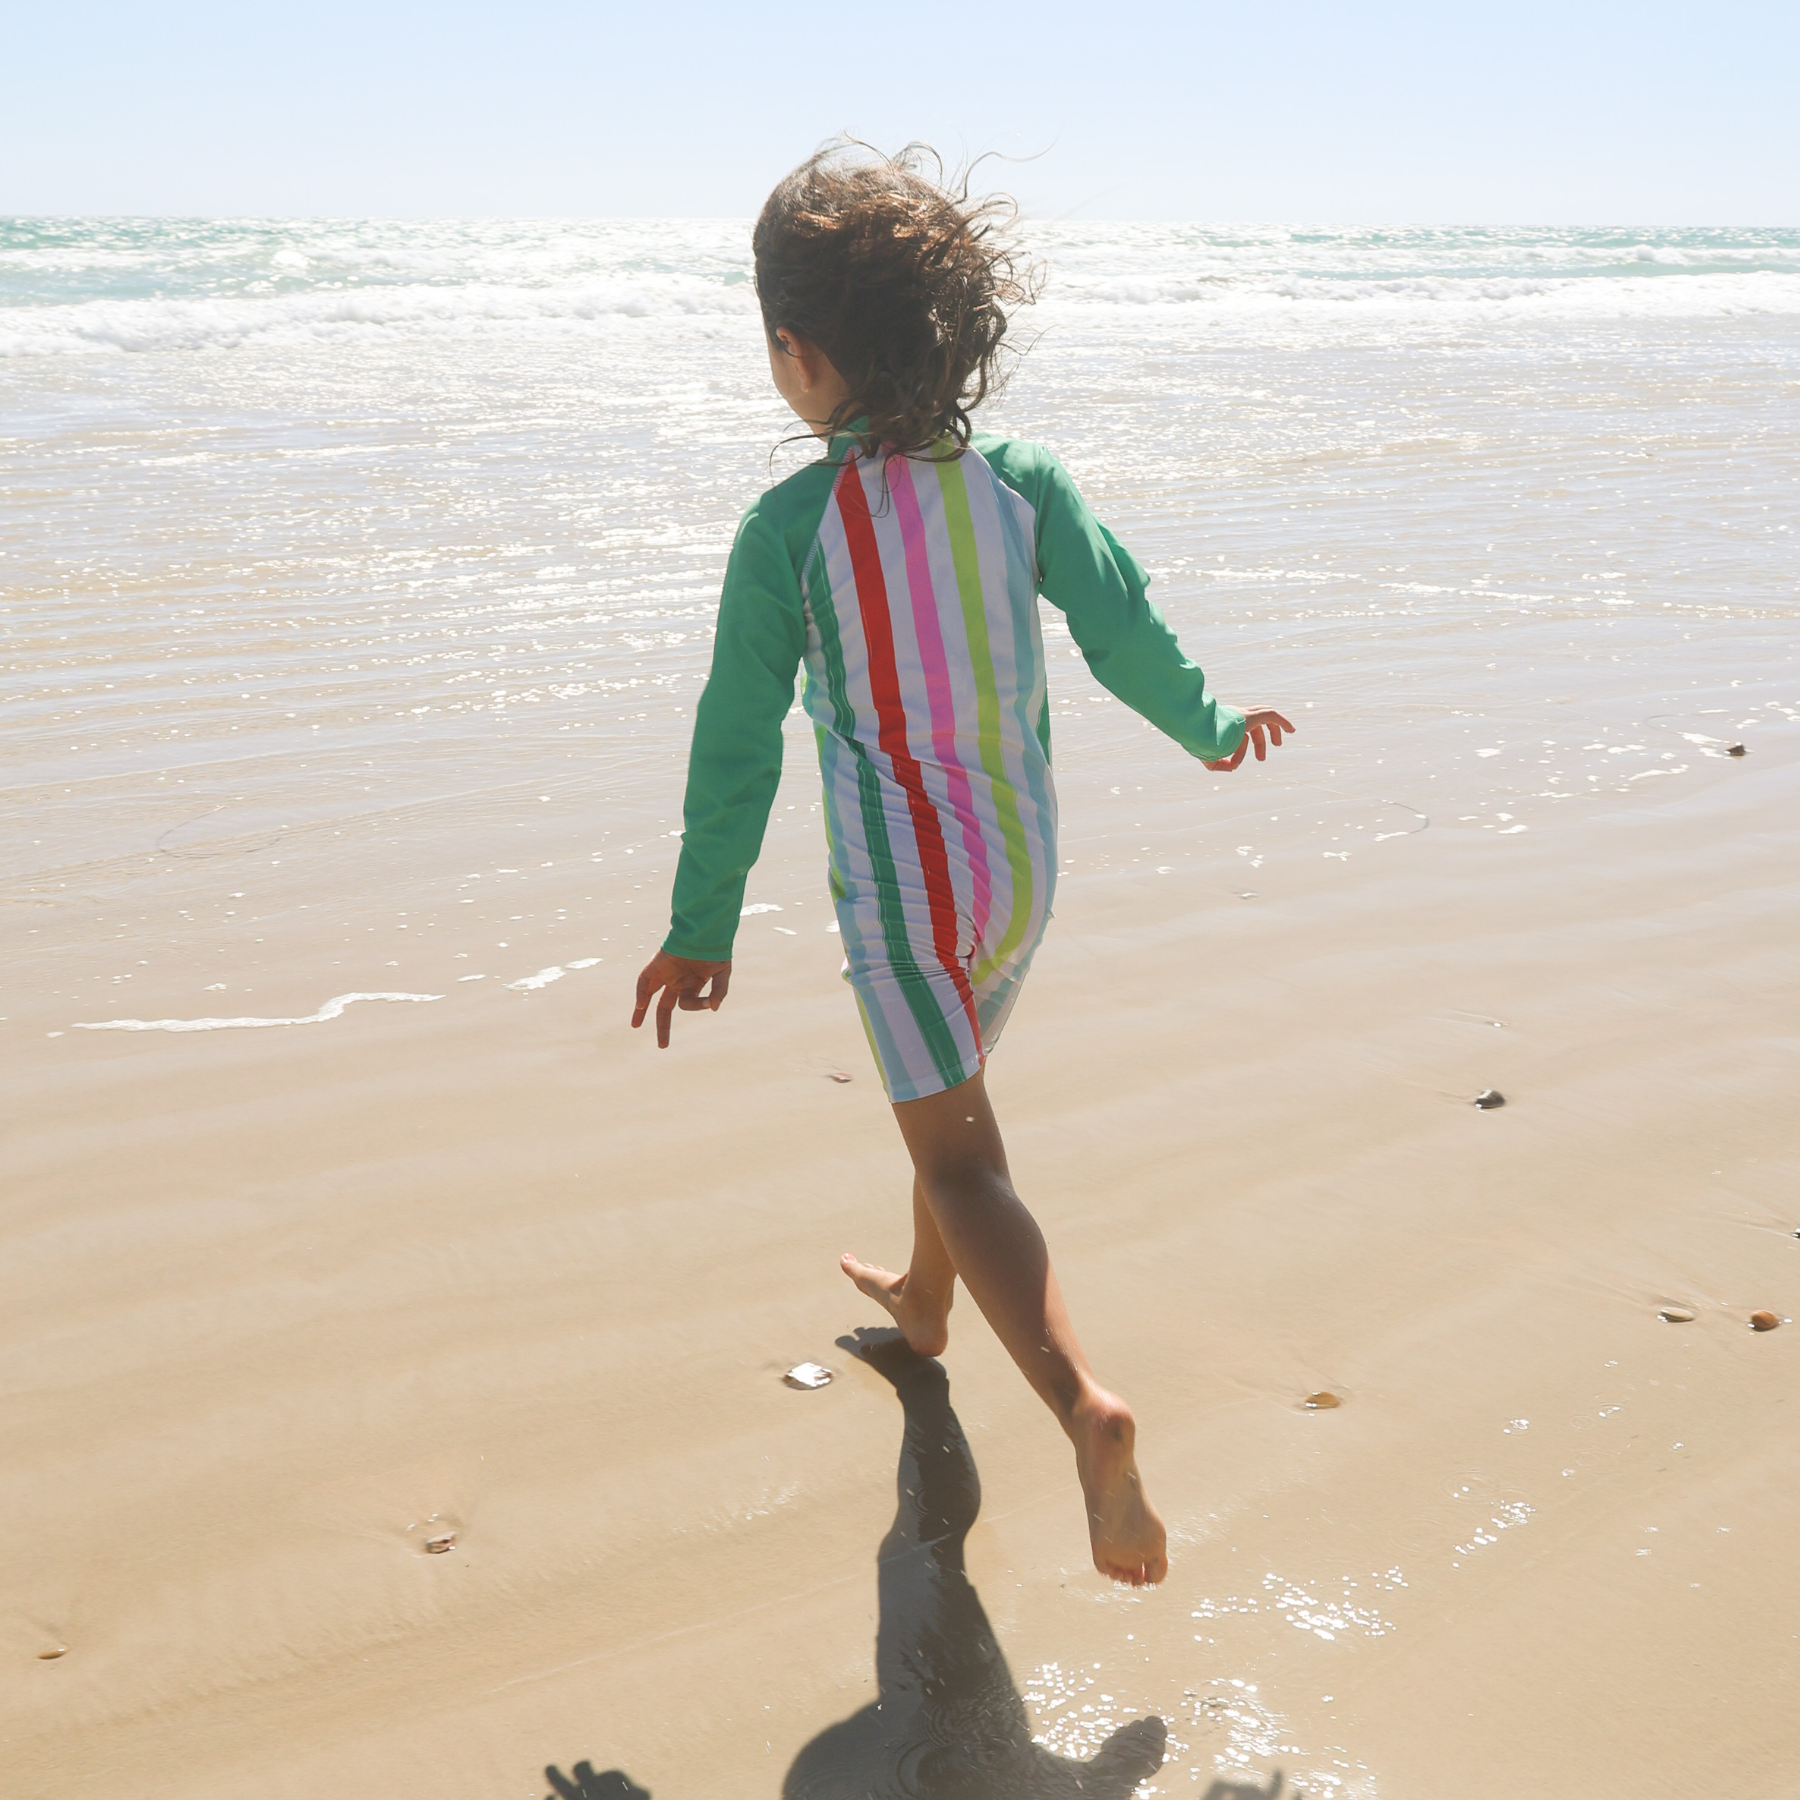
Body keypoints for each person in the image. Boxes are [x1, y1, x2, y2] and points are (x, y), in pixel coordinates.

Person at [632, 145, 1293, 1587]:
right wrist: (1209, 727)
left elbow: (735, 743)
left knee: (962, 1156)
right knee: (952, 1102)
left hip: (903, 899)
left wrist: (701, 923)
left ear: (799, 355)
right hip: (1021, 877)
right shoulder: (1024, 483)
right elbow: (1122, 630)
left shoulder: (789, 531)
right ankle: (926, 1308)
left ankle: (1083, 1407)